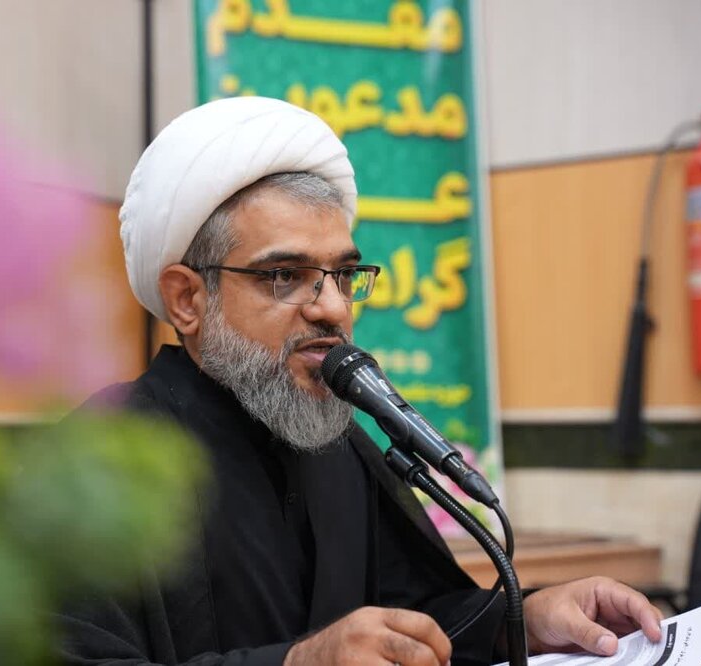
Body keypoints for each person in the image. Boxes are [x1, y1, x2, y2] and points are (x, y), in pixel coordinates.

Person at [57, 97, 663, 666]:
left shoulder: (339, 443)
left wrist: (524, 620)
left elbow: (420, 617)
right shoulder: (97, 459)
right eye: (285, 275)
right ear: (187, 299)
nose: (333, 308)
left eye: (344, 276)